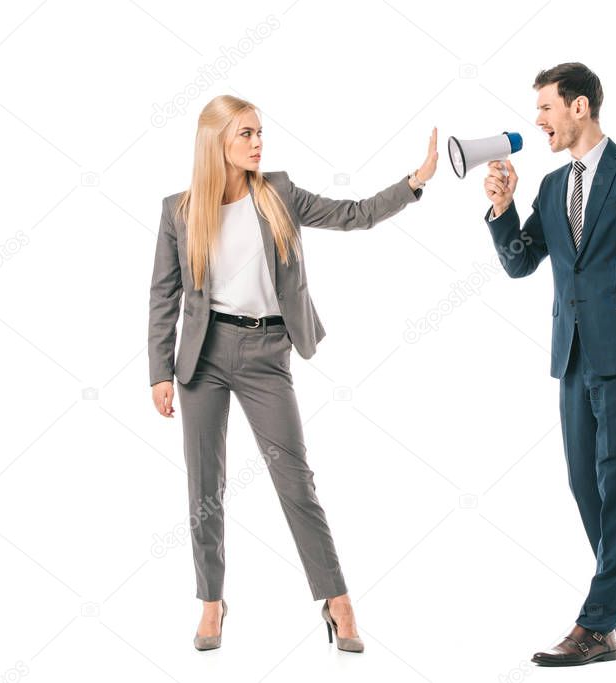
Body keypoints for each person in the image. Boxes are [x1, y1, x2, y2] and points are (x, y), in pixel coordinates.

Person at [147, 94, 438, 652]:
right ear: (217, 144)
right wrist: (160, 370)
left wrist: (416, 180)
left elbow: (353, 215)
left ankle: (336, 599)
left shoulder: (277, 193)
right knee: (204, 486)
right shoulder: (178, 211)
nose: (258, 142)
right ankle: (211, 600)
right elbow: (163, 294)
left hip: (265, 353)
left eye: (260, 132)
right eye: (246, 134)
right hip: (201, 359)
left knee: (294, 481)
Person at [482, 62, 616, 667]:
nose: (538, 120)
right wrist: (502, 208)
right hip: (572, 356)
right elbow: (522, 263)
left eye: (546, 107)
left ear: (579, 108)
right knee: (584, 483)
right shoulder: (550, 188)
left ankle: (599, 625)